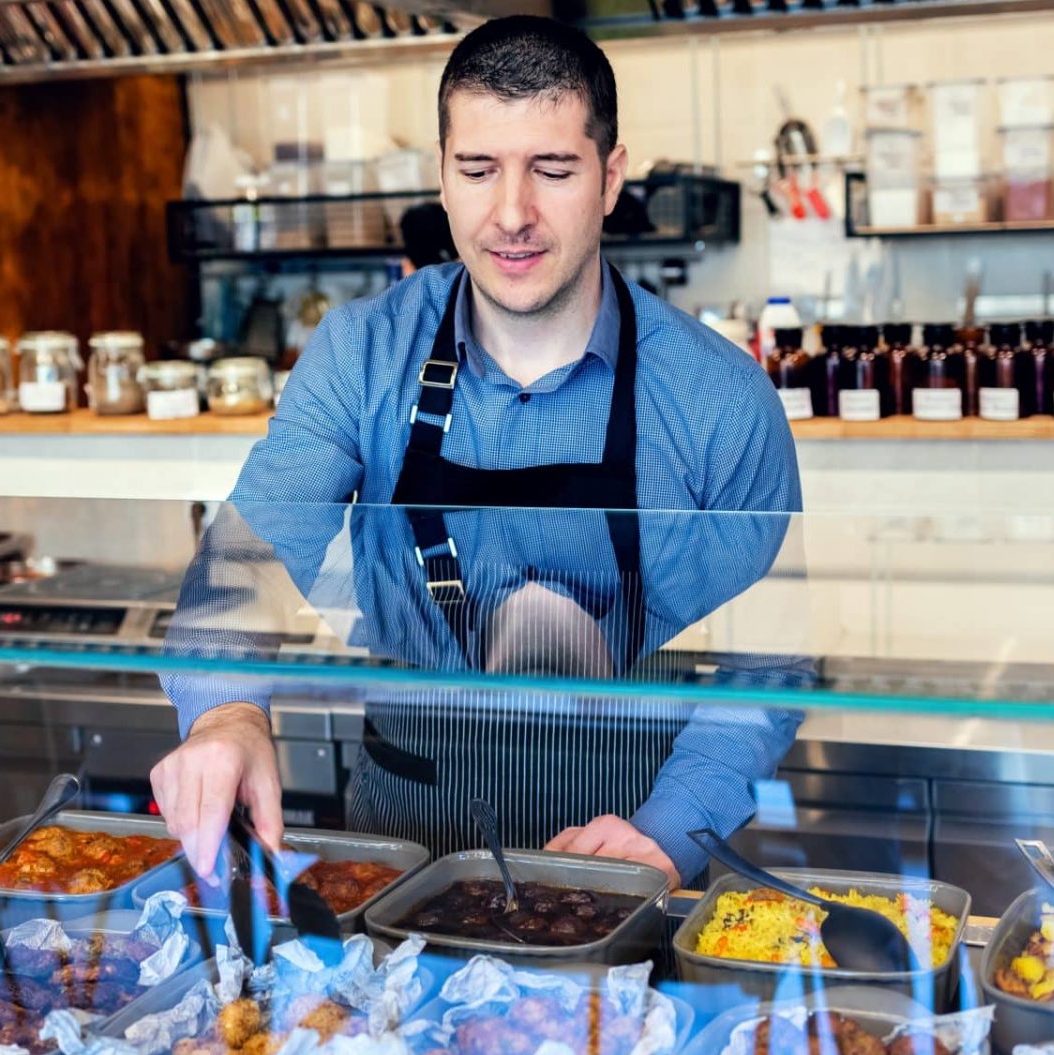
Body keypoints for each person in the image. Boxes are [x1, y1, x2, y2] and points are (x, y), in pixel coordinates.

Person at [150, 15, 801, 892]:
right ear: (442, 177)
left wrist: (672, 830)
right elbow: (253, 548)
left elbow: (770, 660)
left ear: (610, 178)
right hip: (401, 845)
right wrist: (226, 711)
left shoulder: (721, 398)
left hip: (633, 851)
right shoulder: (362, 354)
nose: (512, 215)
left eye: (554, 170)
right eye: (479, 169)